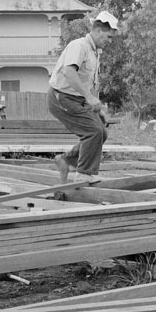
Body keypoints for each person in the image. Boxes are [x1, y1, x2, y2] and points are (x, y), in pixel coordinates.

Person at [49, 11, 119, 184]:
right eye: (108, 37)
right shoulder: (79, 46)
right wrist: (89, 98)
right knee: (92, 132)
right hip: (61, 97)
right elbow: (69, 73)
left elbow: (90, 83)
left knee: (101, 133)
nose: (109, 42)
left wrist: (98, 107)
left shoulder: (95, 52)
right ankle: (84, 174)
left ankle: (66, 160)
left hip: (78, 98)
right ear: (97, 31)